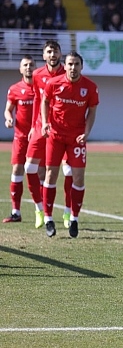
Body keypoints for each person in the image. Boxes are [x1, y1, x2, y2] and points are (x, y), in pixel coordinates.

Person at [41, 51, 99, 238]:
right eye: (70, 64)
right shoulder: (53, 83)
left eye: (76, 64)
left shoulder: (90, 87)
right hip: (56, 136)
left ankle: (74, 218)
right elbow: (45, 101)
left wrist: (87, 132)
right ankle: (48, 218)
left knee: (79, 177)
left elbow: (92, 111)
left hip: (76, 138)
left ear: (82, 66)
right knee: (51, 174)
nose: (73, 68)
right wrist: (44, 122)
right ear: (64, 66)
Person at [26, 40, 74, 230]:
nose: (52, 55)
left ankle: (68, 212)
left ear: (60, 55)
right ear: (44, 55)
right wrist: (32, 127)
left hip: (63, 129)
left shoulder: (68, 73)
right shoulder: (37, 75)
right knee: (29, 168)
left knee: (68, 171)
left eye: (55, 52)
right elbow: (38, 100)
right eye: (49, 52)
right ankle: (39, 210)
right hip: (40, 126)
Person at [3, 55, 36, 223]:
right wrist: (8, 118)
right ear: (20, 68)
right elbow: (8, 110)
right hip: (20, 137)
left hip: (38, 137)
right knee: (17, 170)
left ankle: (43, 210)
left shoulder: (41, 87)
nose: (28, 67)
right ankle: (16, 212)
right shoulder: (15, 89)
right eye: (25, 65)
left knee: (40, 173)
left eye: (31, 65)